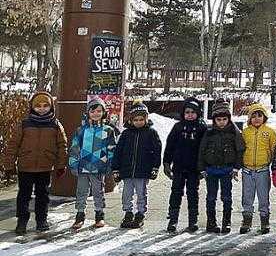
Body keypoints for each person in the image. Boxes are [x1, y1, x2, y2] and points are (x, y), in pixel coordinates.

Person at [2, 92, 68, 235]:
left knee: (42, 195)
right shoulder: (24, 124)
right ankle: (22, 221)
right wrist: (9, 165)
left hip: (45, 167)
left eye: (46, 106)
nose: (42, 108)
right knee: (24, 195)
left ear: (51, 107)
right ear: (32, 107)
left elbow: (62, 146)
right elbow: (13, 145)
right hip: (25, 167)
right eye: (38, 106)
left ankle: (41, 220)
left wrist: (61, 165)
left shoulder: (55, 125)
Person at [67, 97, 117, 230]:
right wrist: (73, 164)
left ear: (104, 113)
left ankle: (99, 214)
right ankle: (80, 214)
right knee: (81, 191)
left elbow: (112, 149)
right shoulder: (81, 130)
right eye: (93, 111)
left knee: (98, 191)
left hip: (99, 167)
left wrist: (110, 165)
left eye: (99, 111)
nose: (96, 114)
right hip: (83, 167)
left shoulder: (108, 130)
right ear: (88, 112)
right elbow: (74, 148)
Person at [112, 101, 162, 229]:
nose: (138, 122)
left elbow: (157, 151)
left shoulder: (151, 133)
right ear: (131, 120)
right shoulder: (126, 134)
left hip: (142, 171)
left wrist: (155, 167)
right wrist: (116, 169)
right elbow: (118, 152)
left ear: (146, 119)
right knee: (126, 194)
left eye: (141, 119)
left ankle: (140, 214)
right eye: (135, 119)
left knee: (141, 193)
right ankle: (128, 213)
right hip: (127, 171)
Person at [198, 100, 245, 234]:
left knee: (226, 197)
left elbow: (240, 150)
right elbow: (202, 150)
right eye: (219, 119)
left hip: (226, 170)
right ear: (214, 120)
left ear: (229, 119)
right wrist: (202, 168)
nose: (222, 122)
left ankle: (226, 221)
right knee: (211, 197)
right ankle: (211, 221)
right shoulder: (209, 132)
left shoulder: (234, 132)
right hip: (211, 170)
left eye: (225, 119)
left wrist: (236, 167)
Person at [163, 97, 207, 233]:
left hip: (195, 168)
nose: (190, 115)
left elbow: (205, 148)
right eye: (187, 112)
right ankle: (173, 219)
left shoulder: (201, 127)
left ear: (198, 113)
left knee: (193, 193)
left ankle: (192, 220)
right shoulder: (178, 127)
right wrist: (166, 163)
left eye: (193, 112)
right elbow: (170, 146)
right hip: (179, 167)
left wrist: (204, 168)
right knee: (176, 192)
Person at [240, 103, 276, 235]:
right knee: (247, 196)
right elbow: (240, 149)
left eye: (259, 115)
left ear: (264, 117)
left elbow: (275, 150)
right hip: (247, 170)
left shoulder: (269, 132)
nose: (256, 118)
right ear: (249, 118)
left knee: (263, 196)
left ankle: (264, 220)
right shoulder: (245, 132)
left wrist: (275, 167)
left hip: (262, 170)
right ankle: (247, 220)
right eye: (254, 116)